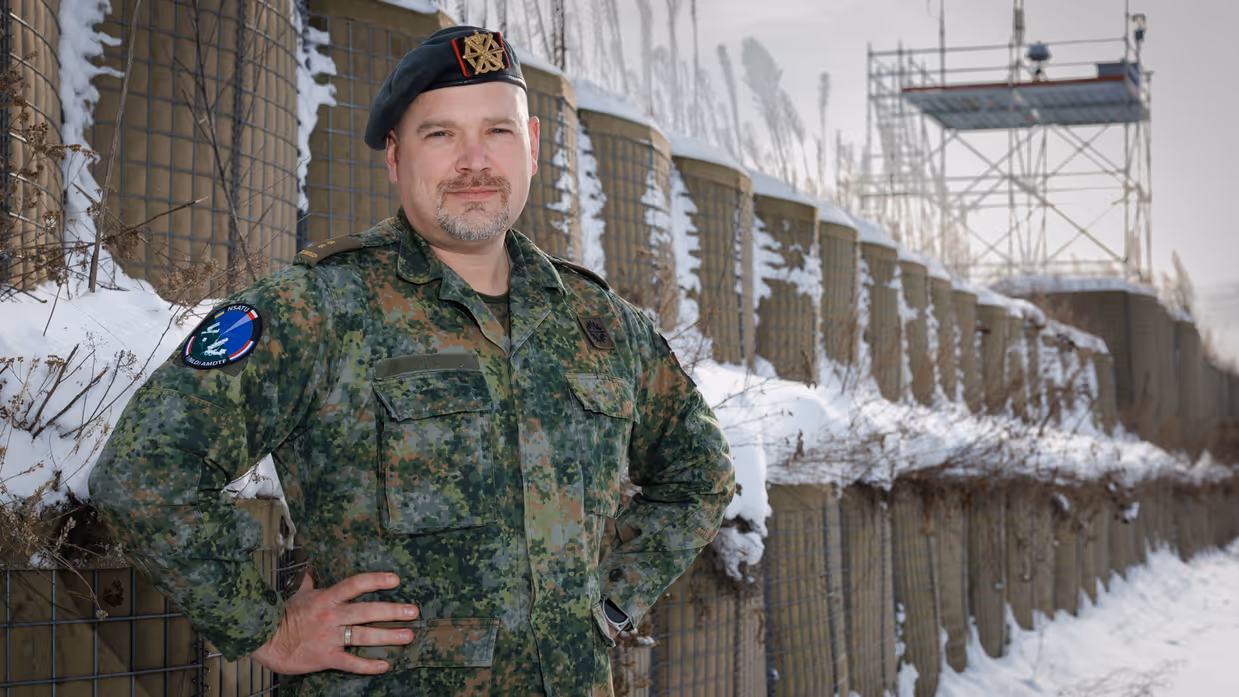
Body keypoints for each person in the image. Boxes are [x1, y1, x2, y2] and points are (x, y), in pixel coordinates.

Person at [89, 25, 734, 696]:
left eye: (497, 131)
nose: (474, 161)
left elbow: (701, 472)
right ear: (395, 157)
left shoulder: (600, 325)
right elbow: (144, 470)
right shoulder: (320, 308)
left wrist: (614, 597)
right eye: (440, 134)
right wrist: (263, 627)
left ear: (533, 146)